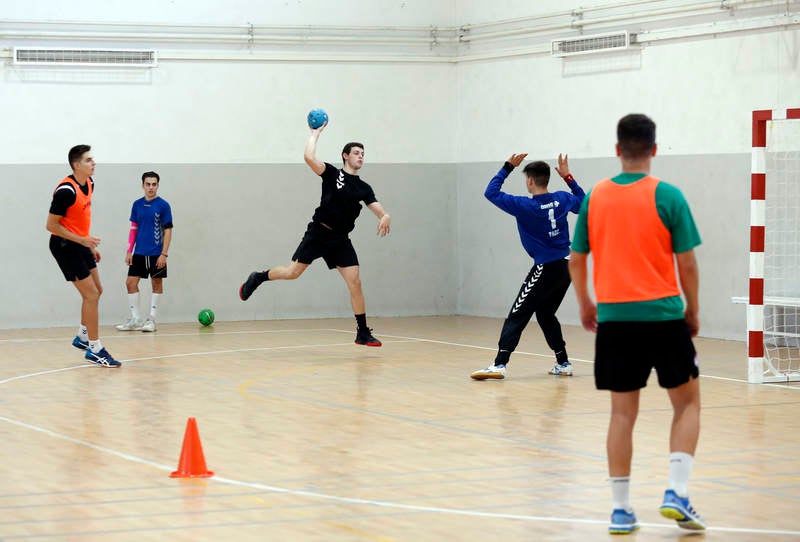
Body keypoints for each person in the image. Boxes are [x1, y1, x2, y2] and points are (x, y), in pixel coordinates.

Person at [568, 114, 704, 534]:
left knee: (622, 414)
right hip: (663, 318)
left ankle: (621, 510)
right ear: (654, 149)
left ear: (617, 150)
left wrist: (586, 304)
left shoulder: (595, 197)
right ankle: (676, 492)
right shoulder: (669, 196)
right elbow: (687, 263)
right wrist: (692, 310)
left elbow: (576, 260)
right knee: (687, 404)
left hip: (615, 321)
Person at [238, 122, 391, 346]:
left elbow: (376, 207)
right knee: (292, 273)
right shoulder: (332, 174)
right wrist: (315, 134)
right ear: (345, 156)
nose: (361, 156)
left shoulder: (363, 188)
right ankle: (259, 277)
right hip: (319, 233)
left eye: (363, 154)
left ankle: (362, 332)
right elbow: (309, 157)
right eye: (356, 153)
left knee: (355, 282)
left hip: (340, 240)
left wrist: (384, 215)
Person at [470, 153, 585, 380]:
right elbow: (583, 204)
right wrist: (568, 177)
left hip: (546, 267)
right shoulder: (562, 199)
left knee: (518, 313)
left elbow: (491, 192)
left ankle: (499, 364)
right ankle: (563, 362)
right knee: (545, 313)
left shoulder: (524, 205)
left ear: (530, 181)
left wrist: (507, 167)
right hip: (567, 265)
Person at [46, 144, 120, 368]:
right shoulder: (66, 192)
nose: (93, 162)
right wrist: (82, 241)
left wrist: (88, 245)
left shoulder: (90, 183)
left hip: (80, 243)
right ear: (76, 165)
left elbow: (80, 218)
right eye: (88, 160)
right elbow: (51, 225)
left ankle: (83, 337)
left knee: (97, 291)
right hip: (64, 246)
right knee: (91, 295)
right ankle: (95, 349)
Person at [116, 171, 173, 332]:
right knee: (130, 283)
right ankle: (136, 319)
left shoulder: (163, 205)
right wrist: (129, 251)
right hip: (139, 253)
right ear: (143, 185)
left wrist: (164, 253)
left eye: (154, 184)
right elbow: (134, 229)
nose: (151, 187)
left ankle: (151, 320)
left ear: (158, 185)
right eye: (148, 184)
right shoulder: (137, 205)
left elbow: (168, 230)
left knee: (156, 283)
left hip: (156, 253)